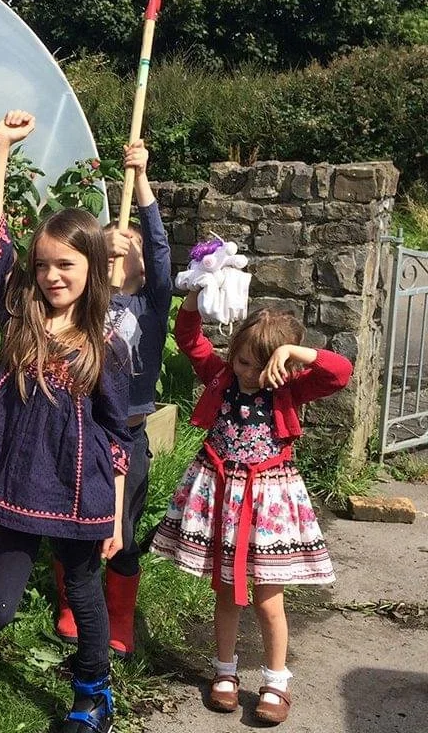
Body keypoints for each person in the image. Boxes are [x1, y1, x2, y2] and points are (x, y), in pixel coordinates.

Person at [0, 111, 132, 733]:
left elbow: (119, 434)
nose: (52, 276)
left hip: (78, 490)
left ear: (93, 268)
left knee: (85, 593)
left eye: (66, 266)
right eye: (44, 265)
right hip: (22, 486)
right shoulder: (19, 313)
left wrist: (115, 514)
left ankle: (92, 694)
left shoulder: (106, 344)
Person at [151, 289, 352, 725]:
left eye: (261, 367)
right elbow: (189, 338)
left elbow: (340, 373)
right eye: (242, 362)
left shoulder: (292, 390)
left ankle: (276, 681)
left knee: (268, 600)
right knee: (225, 593)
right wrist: (194, 297)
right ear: (234, 353)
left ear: (283, 366)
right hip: (220, 497)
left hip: (267, 506)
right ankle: (225, 673)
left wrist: (297, 351)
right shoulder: (220, 376)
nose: (247, 374)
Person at [52, 139, 172, 656]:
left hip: (129, 433)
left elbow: (162, 253)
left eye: (132, 248)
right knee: (69, 517)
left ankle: (119, 616)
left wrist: (141, 181)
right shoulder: (85, 308)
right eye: (111, 247)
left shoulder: (150, 305)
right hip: (81, 430)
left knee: (120, 528)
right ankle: (70, 603)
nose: (125, 252)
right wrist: (101, 259)